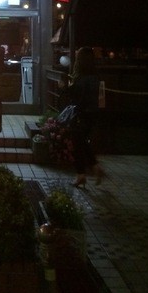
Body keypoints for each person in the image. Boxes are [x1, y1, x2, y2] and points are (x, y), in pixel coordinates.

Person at [61, 46, 105, 188]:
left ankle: (83, 173)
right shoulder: (95, 77)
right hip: (92, 114)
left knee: (78, 143)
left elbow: (76, 98)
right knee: (82, 143)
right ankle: (91, 168)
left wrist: (64, 88)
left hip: (81, 114)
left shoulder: (81, 79)